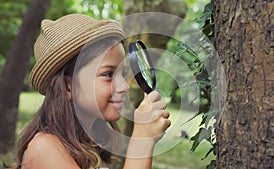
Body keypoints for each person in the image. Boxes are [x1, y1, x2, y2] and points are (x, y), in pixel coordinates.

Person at [7, 13, 171, 169]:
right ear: (67, 86)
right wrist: (142, 142)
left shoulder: (90, 143)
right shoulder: (44, 148)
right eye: (108, 74)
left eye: (122, 73)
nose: (124, 86)